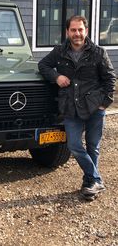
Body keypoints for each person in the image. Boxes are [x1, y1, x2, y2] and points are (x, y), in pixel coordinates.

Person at [38, 15, 116, 200]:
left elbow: (110, 79)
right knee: (73, 145)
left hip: (94, 108)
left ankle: (89, 183)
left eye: (80, 30)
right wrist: (56, 77)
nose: (77, 34)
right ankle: (96, 178)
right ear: (67, 32)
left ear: (86, 31)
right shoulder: (59, 52)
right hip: (71, 108)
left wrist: (104, 104)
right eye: (73, 30)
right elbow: (43, 65)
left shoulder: (98, 52)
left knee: (93, 147)